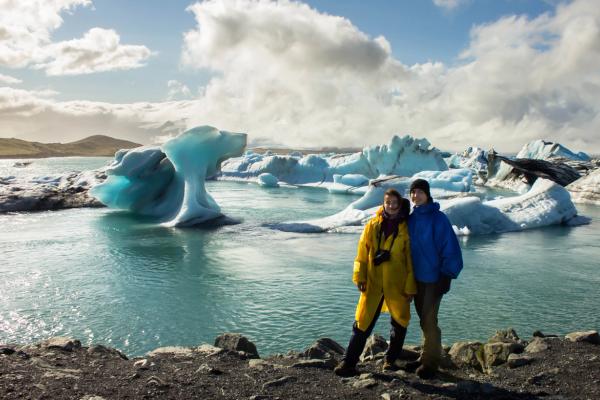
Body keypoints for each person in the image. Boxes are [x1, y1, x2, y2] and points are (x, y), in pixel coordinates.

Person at [334, 188, 417, 377]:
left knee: (399, 323)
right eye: (388, 202)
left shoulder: (406, 228)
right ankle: (348, 363)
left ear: (399, 204)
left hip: (397, 284)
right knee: (362, 322)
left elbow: (410, 260)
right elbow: (362, 252)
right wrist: (360, 276)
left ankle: (390, 361)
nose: (391, 206)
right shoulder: (373, 225)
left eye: (395, 203)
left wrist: (411, 286)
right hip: (373, 283)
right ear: (384, 203)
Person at [407, 178, 463, 379]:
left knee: (429, 320)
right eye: (413, 192)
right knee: (424, 320)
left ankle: (431, 363)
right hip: (417, 279)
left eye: (420, 192)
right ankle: (425, 357)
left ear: (427, 194)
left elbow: (450, 248)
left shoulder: (439, 218)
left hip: (434, 279)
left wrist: (446, 275)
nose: (416, 195)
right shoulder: (412, 219)